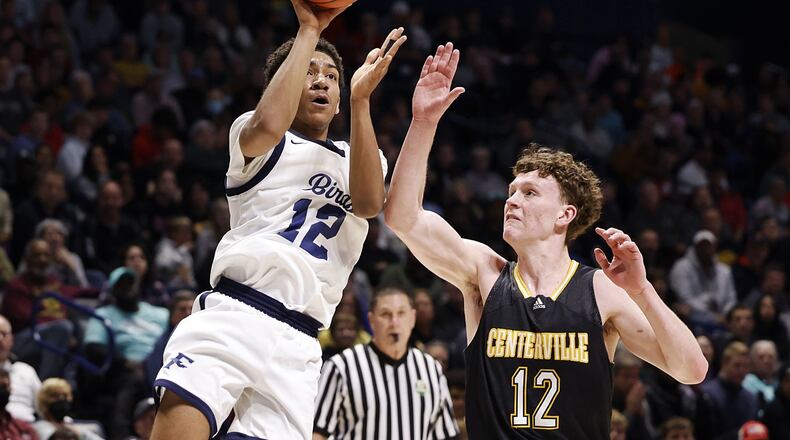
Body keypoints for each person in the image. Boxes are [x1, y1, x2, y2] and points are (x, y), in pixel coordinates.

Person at [383, 42, 707, 439]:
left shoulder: (601, 291)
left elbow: (691, 370)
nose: (511, 201)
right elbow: (402, 217)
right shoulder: (484, 272)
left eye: (529, 193)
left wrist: (642, 290)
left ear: (564, 215)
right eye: (512, 191)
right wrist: (423, 123)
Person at [151, 1, 407, 438]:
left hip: (300, 341)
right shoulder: (255, 136)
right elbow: (270, 123)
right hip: (238, 310)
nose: (322, 81)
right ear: (284, 84)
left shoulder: (359, 157)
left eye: (331, 76)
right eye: (309, 72)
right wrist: (309, 29)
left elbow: (367, 204)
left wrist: (361, 100)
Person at [312, 287, 458, 440]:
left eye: (401, 313)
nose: (394, 322)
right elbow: (317, 433)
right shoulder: (341, 367)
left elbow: (445, 434)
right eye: (386, 314)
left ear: (413, 318)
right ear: (371, 320)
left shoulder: (431, 369)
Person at [0, 315, 41, 423]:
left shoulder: (26, 370)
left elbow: (44, 407)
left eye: (4, 334)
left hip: (27, 430)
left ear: (12, 339)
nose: (0, 339)